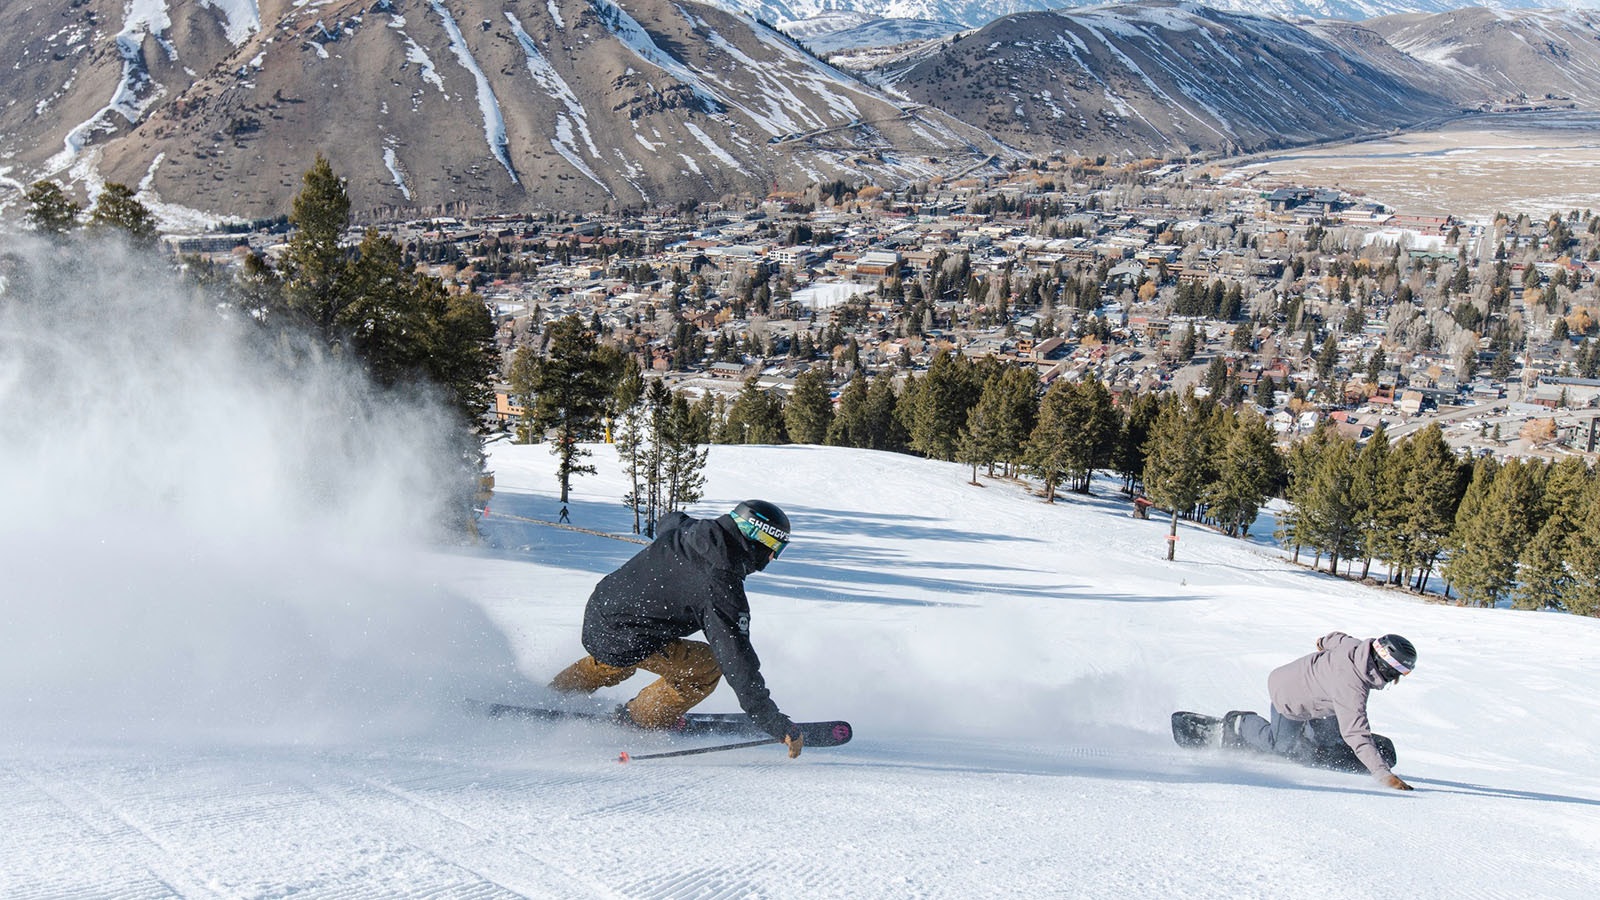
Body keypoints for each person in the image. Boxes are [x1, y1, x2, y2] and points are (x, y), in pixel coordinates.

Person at [549, 500, 804, 758]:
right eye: (775, 547)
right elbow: (736, 659)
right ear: (755, 538)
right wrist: (770, 719)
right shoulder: (720, 584)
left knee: (618, 653)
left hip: (601, 612)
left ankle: (556, 693)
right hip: (627, 635)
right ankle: (640, 718)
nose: (773, 557)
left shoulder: (694, 531)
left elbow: (669, 520)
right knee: (707, 666)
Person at [1222, 632, 1417, 790]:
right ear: (1387, 668)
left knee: (1329, 739)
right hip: (1289, 698)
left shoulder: (1354, 647)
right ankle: (1240, 723)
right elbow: (1355, 732)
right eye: (1400, 673)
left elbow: (1334, 638)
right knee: (1280, 748)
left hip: (1312, 691)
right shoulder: (1351, 688)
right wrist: (1383, 774)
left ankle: (1313, 737)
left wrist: (1321, 643)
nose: (1398, 679)